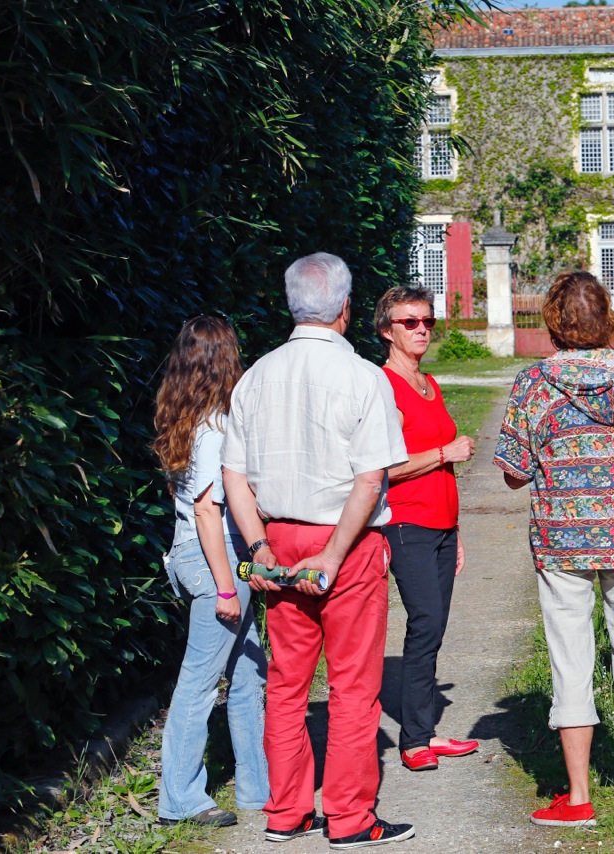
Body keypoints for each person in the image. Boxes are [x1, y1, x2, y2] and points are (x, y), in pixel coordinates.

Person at [222, 253, 415, 848]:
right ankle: (351, 818)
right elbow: (371, 478)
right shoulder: (363, 376)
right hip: (346, 543)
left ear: (291, 305)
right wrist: (331, 555)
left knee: (286, 684)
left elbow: (234, 476)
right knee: (353, 686)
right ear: (345, 307)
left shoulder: (256, 376)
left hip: (277, 538)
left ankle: (287, 811)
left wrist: (258, 545)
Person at [494, 271, 614, 828]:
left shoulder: (534, 383)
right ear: (606, 318)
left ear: (552, 322)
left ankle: (577, 797)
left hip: (563, 540)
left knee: (570, 657)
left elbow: (514, 473)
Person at [152, 316, 269, 828]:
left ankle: (257, 788)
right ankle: (180, 799)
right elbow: (206, 510)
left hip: (194, 557)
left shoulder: (182, 420)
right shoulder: (215, 428)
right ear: (226, 361)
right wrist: (226, 585)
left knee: (248, 674)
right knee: (199, 684)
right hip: (215, 560)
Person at [372, 285, 479, 772]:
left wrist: (455, 531)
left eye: (428, 321)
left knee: (434, 629)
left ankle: (425, 731)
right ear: (386, 330)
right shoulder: (384, 387)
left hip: (441, 526)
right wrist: (444, 452)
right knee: (425, 624)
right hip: (406, 523)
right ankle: (414, 741)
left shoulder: (429, 383)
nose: (421, 330)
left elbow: (444, 467)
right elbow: (382, 468)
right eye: (410, 322)